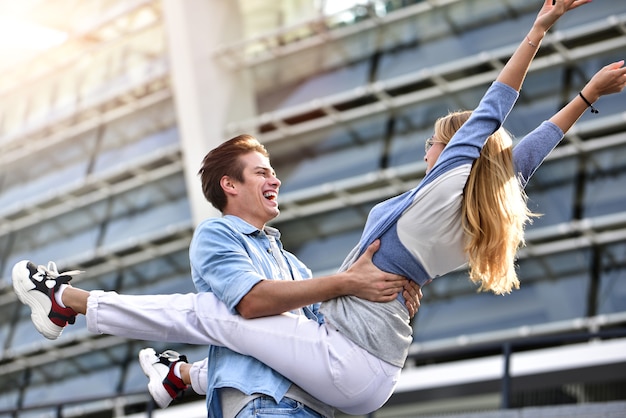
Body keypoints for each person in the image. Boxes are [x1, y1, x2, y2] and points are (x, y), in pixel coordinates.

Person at [12, 0, 626, 415]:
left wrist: (540, 28)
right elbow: (529, 154)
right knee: (268, 320)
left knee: (221, 314)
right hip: (366, 367)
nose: (427, 152)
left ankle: (71, 305)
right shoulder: (482, 208)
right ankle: (182, 378)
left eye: (436, 144)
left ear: (456, 153)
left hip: (352, 357)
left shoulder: (442, 187)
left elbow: (496, 106)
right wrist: (585, 97)